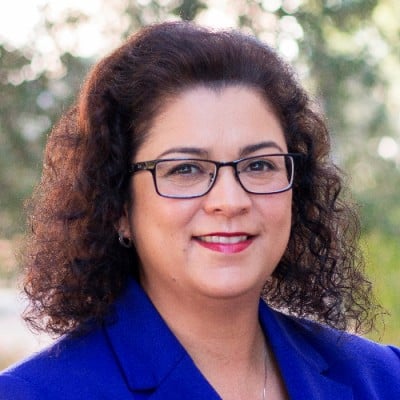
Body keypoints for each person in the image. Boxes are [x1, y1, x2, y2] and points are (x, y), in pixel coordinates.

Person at [0, 21, 399, 400]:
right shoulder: (34, 393)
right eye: (186, 169)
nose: (231, 201)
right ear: (118, 205)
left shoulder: (383, 379)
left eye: (260, 165)